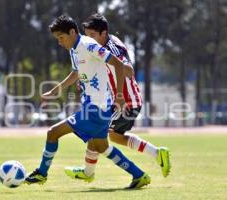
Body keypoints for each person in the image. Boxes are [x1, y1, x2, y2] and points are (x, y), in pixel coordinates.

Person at [25, 14, 151, 189]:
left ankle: (41, 173)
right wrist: (55, 90)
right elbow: (76, 73)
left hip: (96, 109)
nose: (60, 42)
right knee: (102, 146)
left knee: (52, 133)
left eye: (61, 37)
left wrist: (120, 96)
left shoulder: (89, 45)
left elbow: (119, 65)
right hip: (94, 107)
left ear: (72, 32)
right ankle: (139, 175)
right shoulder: (74, 50)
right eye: (57, 39)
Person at [64, 13, 171, 182]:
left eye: (93, 35)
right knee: (114, 136)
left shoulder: (111, 47)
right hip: (117, 101)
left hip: (125, 101)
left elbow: (126, 67)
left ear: (103, 34)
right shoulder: (99, 47)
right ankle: (158, 153)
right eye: (87, 35)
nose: (89, 39)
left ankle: (89, 172)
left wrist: (125, 70)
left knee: (99, 133)